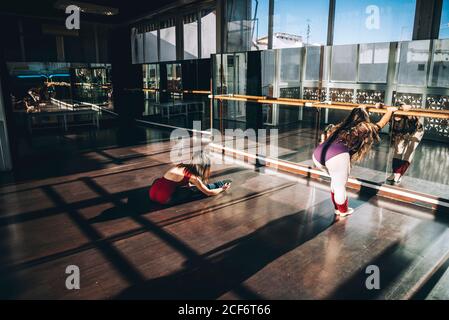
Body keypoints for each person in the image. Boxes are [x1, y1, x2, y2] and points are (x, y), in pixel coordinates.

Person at [312, 104, 397, 217]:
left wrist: (362, 108)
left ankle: (338, 208)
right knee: (339, 185)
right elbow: (380, 124)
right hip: (336, 156)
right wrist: (390, 111)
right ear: (364, 118)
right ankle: (343, 211)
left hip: (318, 155)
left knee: (335, 181)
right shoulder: (364, 127)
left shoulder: (341, 126)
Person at [147, 151, 232, 206]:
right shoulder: (193, 177)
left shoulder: (181, 165)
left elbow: (179, 181)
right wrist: (222, 189)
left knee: (191, 187)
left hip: (152, 193)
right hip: (165, 199)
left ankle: (217, 184)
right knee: (195, 191)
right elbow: (208, 193)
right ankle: (220, 184)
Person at [387, 103, 424, 185]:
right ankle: (394, 173)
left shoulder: (408, 116)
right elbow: (383, 112)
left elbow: (412, 116)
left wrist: (409, 107)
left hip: (416, 132)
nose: (397, 116)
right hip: (403, 133)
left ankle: (399, 174)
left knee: (408, 152)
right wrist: (380, 106)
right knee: (398, 151)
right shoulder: (392, 116)